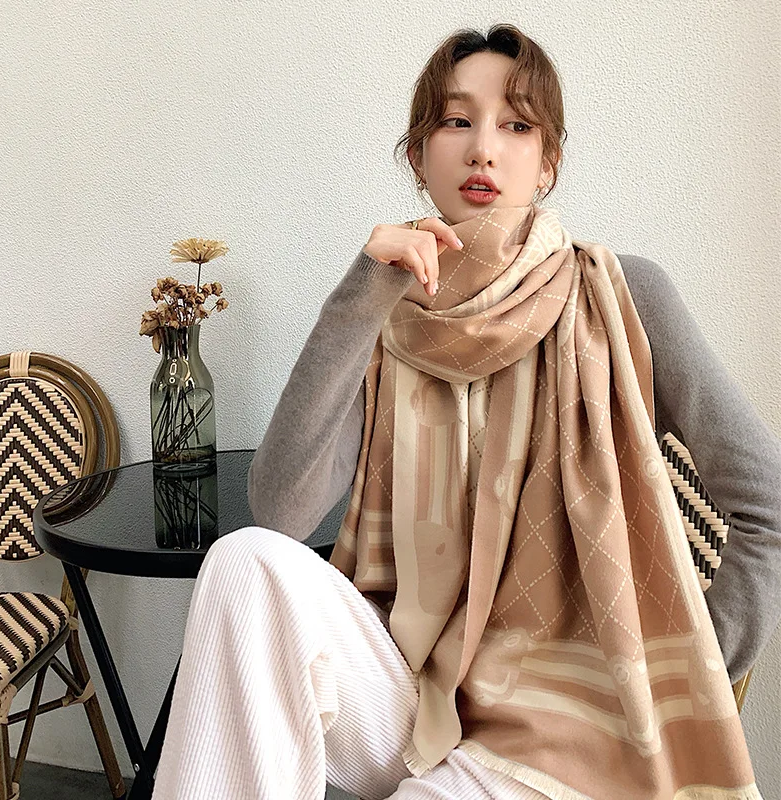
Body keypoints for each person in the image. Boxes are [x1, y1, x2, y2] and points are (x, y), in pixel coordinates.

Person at [152, 24, 781, 800]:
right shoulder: (384, 310)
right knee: (245, 562)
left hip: (570, 721)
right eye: (457, 121)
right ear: (418, 156)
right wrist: (361, 294)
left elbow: (769, 506)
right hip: (414, 690)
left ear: (548, 163)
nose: (484, 148)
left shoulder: (621, 297)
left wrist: (685, 675)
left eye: (516, 126)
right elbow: (281, 513)